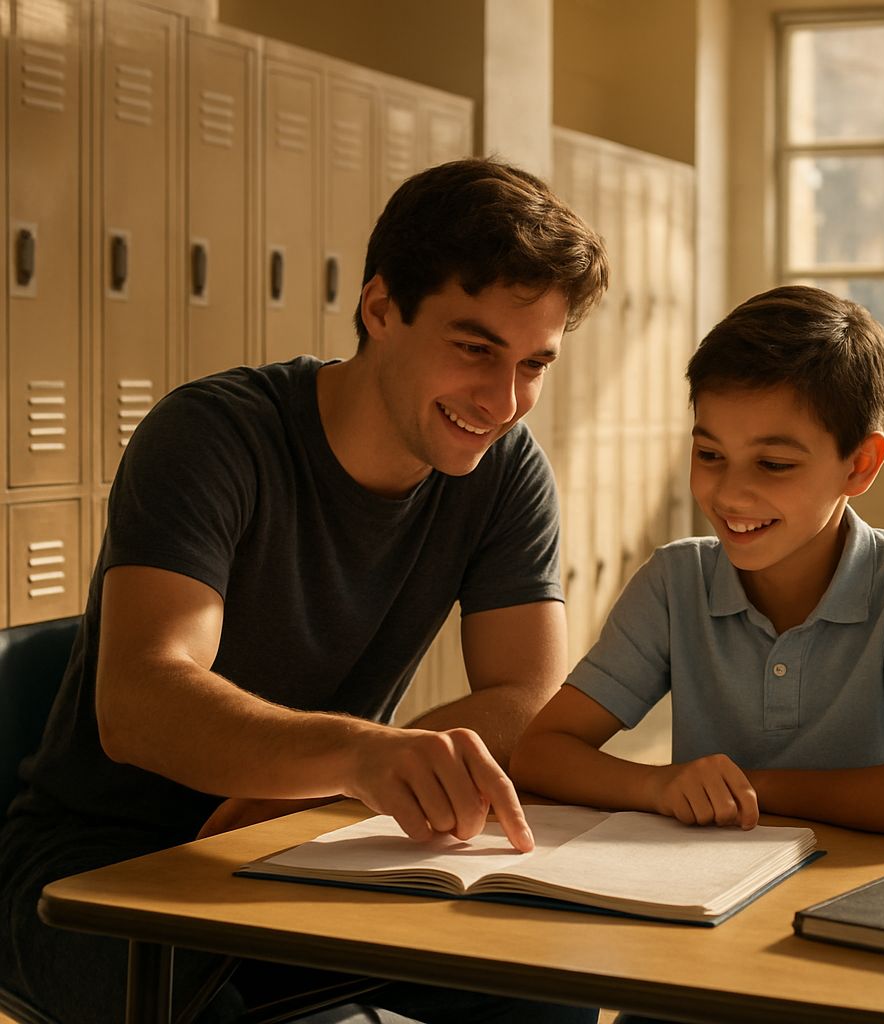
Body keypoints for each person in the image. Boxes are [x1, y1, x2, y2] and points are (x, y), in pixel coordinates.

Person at [0, 158, 609, 1024]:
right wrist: (357, 757)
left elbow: (528, 696)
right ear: (380, 310)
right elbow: (138, 701)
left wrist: (324, 786)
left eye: (534, 364)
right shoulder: (214, 436)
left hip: (310, 843)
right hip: (101, 861)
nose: (504, 399)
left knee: (547, 993)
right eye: (474, 347)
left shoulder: (503, 470)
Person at [511, 284, 884, 849]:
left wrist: (755, 789)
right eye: (709, 455)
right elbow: (540, 753)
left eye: (773, 463)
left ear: (859, 466)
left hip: (862, 898)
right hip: (708, 896)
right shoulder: (677, 583)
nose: (731, 494)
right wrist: (658, 786)